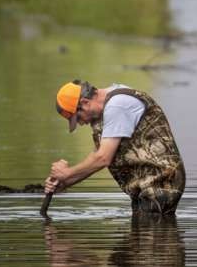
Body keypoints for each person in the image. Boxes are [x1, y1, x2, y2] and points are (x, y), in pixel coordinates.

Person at [45, 79, 186, 217]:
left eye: (78, 118)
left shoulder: (117, 106)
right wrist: (66, 182)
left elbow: (103, 158)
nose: (82, 123)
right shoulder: (109, 106)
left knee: (150, 229)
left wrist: (67, 173)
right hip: (146, 182)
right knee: (143, 230)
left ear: (85, 103)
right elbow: (98, 154)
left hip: (161, 180)